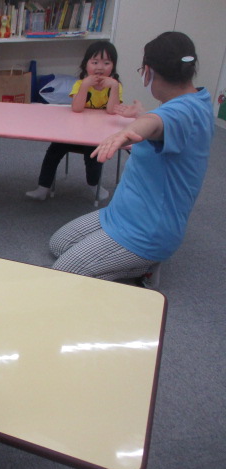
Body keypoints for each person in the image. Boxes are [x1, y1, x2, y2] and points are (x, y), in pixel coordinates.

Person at [49, 32, 214, 286]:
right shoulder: (198, 99)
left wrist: (129, 131)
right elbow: (164, 121)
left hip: (145, 231)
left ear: (148, 72)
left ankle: (145, 265)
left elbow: (158, 122)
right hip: (121, 212)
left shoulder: (179, 112)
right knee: (58, 245)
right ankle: (129, 262)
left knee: (62, 273)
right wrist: (142, 115)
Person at [26, 41, 123, 201]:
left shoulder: (115, 86)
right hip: (73, 133)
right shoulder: (80, 84)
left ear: (113, 67)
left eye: (106, 63)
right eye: (95, 62)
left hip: (96, 135)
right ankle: (43, 187)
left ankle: (94, 185)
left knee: (94, 156)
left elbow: (112, 110)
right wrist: (85, 86)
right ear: (86, 65)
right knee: (53, 151)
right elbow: (77, 108)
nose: (100, 67)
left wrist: (114, 87)